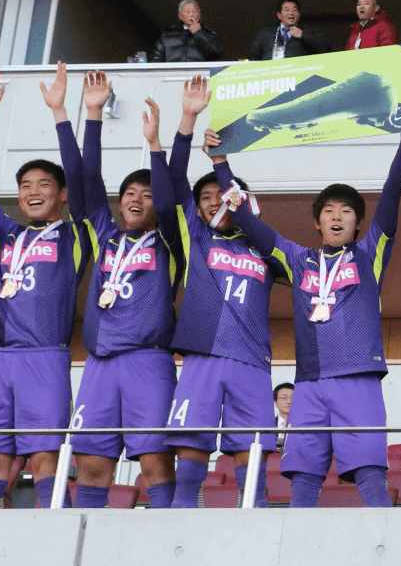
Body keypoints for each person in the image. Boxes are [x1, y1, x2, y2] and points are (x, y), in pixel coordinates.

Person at [215, 101, 401, 507]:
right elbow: (248, 222)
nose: (337, 217)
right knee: (303, 478)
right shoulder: (296, 260)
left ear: (359, 223)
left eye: (347, 211)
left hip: (358, 378)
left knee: (369, 475)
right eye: (329, 211)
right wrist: (222, 163)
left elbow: (392, 196)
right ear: (317, 222)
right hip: (308, 383)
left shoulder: (369, 254)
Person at [0, 65, 91, 509]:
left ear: (63, 194)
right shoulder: (6, 233)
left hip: (45, 358)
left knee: (45, 458)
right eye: (25, 186)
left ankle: (57, 536)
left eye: (44, 185)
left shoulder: (76, 237)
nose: (32, 192)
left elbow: (80, 172)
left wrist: (59, 113)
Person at [155, 78, 282, 508]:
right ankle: (179, 526)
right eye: (205, 198)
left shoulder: (264, 247)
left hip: (251, 361)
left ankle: (257, 529)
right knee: (191, 451)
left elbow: (246, 213)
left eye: (221, 196)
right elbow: (173, 182)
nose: (214, 203)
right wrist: (187, 121)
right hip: (202, 358)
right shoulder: (196, 239)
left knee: (254, 459)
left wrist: (225, 168)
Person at [68, 72, 181, 509]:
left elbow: (171, 201)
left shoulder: (172, 241)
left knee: (155, 461)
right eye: (129, 194)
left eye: (147, 194)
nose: (136, 199)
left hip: (148, 362)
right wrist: (92, 115)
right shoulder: (103, 234)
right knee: (92, 464)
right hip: (99, 364)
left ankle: (167, 542)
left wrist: (156, 144)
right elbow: (87, 178)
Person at [247, 0, 334, 60]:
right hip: (272, 79)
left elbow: (326, 47)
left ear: (299, 15)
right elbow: (253, 57)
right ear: (279, 15)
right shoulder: (265, 33)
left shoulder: (306, 32)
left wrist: (302, 35)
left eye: (294, 10)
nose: (291, 13)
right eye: (286, 10)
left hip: (297, 79)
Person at [151, 0, 225, 62]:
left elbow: (217, 55)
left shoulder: (210, 35)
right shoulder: (167, 36)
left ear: (199, 15)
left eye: (194, 12)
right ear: (180, 16)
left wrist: (198, 33)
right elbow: (155, 60)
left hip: (199, 77)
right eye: (187, 12)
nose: (191, 15)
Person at [273, 382, 294, 453]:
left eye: (292, 397)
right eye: (284, 398)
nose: (289, 401)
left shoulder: (306, 425)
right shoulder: (268, 424)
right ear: (275, 402)